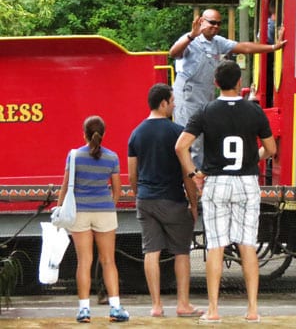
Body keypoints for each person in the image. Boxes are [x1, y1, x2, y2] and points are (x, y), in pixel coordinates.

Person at [174, 59, 276, 324]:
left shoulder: (206, 111)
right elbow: (271, 149)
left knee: (216, 245)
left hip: (217, 182)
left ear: (216, 83)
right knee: (247, 245)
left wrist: (193, 174)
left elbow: (180, 146)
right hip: (246, 182)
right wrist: (254, 160)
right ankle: (252, 309)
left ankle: (213, 309)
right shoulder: (254, 112)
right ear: (240, 82)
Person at [169, 8, 286, 168]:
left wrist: (273, 47)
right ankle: (189, 178)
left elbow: (244, 47)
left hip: (207, 93)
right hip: (188, 93)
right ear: (202, 21)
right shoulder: (191, 39)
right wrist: (191, 36)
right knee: (190, 137)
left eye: (219, 23)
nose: (215, 26)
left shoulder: (218, 42)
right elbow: (173, 52)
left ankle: (201, 174)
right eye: (212, 22)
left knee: (204, 137)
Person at [127, 83, 201, 318]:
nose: (175, 103)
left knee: (151, 251)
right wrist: (193, 203)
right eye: (172, 100)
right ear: (163, 103)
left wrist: (140, 193)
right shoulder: (177, 133)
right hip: (172, 200)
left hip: (146, 200)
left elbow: (131, 174)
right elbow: (186, 174)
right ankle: (183, 304)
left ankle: (156, 306)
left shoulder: (136, 133)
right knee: (181, 252)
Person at [57, 115, 129, 323]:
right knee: (108, 261)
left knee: (84, 262)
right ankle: (115, 308)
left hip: (79, 212)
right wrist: (109, 205)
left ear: (84, 133)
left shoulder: (75, 156)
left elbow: (65, 186)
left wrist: (60, 208)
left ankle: (84, 310)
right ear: (103, 134)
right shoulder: (112, 157)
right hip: (105, 211)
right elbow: (117, 190)